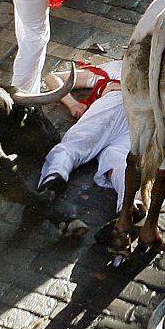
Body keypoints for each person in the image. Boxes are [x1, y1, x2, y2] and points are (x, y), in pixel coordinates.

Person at [37, 60, 138, 228]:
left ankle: (53, 178)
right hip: (142, 117)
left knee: (71, 147)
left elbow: (52, 78)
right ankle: (129, 206)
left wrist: (72, 103)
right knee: (119, 160)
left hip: (115, 103)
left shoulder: (118, 66)